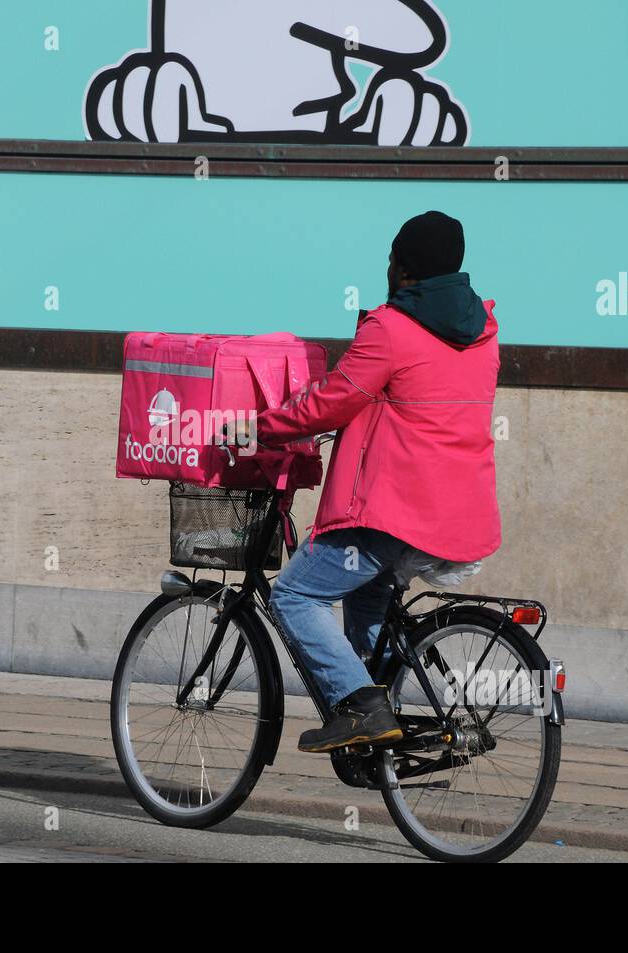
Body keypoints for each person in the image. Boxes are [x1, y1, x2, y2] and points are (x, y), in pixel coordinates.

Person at [236, 211, 501, 752]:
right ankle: (383, 728)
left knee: (294, 595)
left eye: (390, 259)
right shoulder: (485, 334)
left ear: (404, 269)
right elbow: (415, 404)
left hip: (392, 513)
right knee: (365, 606)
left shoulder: (390, 329)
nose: (386, 268)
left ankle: (363, 707)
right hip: (459, 512)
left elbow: (331, 401)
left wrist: (256, 429)